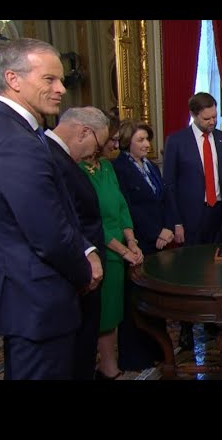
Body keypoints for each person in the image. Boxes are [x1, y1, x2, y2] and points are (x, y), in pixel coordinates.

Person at [0, 38, 102, 379]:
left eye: (61, 80)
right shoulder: (13, 140)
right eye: (49, 80)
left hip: (28, 296)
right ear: (14, 79)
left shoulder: (7, 129)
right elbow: (47, 233)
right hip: (37, 298)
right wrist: (84, 271)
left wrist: (85, 246)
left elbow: (54, 205)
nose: (61, 89)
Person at [163, 92, 222, 350]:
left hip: (217, 214)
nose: (212, 121)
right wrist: (176, 222)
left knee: (216, 271)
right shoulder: (176, 141)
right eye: (207, 118)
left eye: (214, 116)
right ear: (194, 115)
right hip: (189, 218)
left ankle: (211, 322)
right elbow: (169, 186)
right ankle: (186, 328)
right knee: (189, 274)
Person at [45, 106, 110, 380]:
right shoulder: (48, 156)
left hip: (84, 274)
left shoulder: (62, 158)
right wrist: (87, 261)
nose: (97, 153)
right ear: (85, 132)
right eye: (99, 145)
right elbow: (59, 221)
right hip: (77, 274)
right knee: (74, 353)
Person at [79, 114, 144, 380]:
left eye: (118, 140)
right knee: (101, 314)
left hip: (120, 251)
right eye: (112, 140)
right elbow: (91, 222)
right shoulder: (78, 171)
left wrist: (132, 240)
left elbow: (120, 207)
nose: (115, 145)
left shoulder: (107, 167)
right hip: (101, 252)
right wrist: (123, 250)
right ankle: (105, 367)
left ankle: (108, 364)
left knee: (114, 312)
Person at [112, 120, 176, 371]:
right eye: (141, 140)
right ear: (128, 142)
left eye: (148, 139)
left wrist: (168, 228)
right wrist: (155, 231)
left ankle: (156, 349)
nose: (147, 144)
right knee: (137, 301)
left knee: (155, 300)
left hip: (161, 241)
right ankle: (136, 356)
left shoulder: (150, 166)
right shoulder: (120, 168)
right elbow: (127, 209)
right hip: (139, 243)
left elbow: (164, 199)